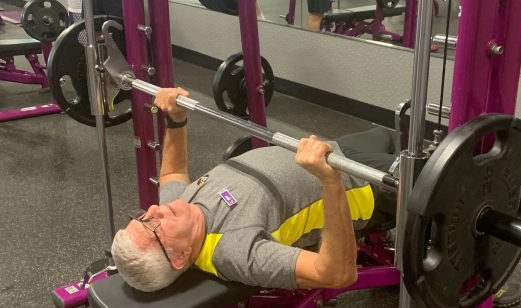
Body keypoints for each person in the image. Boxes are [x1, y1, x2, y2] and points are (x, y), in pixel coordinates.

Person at [110, 87, 397, 293]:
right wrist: (330, 181)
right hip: (362, 184)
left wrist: (175, 119)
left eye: (141, 216)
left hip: (335, 149)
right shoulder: (234, 251)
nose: (154, 209)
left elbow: (172, 172)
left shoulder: (176, 210)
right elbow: (336, 273)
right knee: (434, 172)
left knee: (393, 134)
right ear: (180, 257)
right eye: (153, 226)